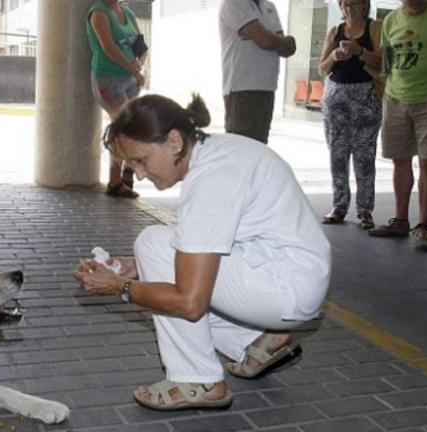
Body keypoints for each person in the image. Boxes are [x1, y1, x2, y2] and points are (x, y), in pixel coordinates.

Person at [74, 94, 331, 410]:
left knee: (153, 244)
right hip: (291, 274)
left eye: (141, 160)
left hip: (286, 288)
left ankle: (197, 380)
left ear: (174, 141)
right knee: (155, 251)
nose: (139, 174)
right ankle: (252, 341)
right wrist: (137, 267)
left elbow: (190, 303)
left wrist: (120, 287)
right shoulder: (218, 153)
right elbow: (201, 247)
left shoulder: (212, 178)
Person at [369, 0, 427, 252]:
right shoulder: (391, 20)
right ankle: (400, 220)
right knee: (400, 160)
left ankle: (422, 227)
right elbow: (387, 62)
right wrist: (386, 91)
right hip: (396, 98)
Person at [318, 0, 382, 229]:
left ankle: (365, 210)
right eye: (343, 3)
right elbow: (322, 68)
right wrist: (335, 56)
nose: (347, 7)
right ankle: (339, 206)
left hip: (366, 97)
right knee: (337, 154)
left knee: (365, 156)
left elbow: (383, 62)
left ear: (364, 4)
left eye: (352, 3)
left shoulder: (375, 28)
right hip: (336, 99)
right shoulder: (335, 31)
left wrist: (360, 51)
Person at [86, 0, 146, 198]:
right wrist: (131, 67)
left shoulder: (127, 11)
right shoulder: (98, 12)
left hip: (131, 79)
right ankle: (114, 180)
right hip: (108, 79)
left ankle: (128, 171)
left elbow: (140, 45)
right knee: (121, 127)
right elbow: (107, 46)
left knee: (132, 125)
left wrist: (139, 66)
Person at [218, 0, 297, 144]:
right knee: (241, 149)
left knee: (259, 147)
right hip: (242, 89)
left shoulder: (269, 6)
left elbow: (287, 50)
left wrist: (273, 39)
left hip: (267, 88)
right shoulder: (233, 3)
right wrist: (281, 40)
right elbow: (265, 41)